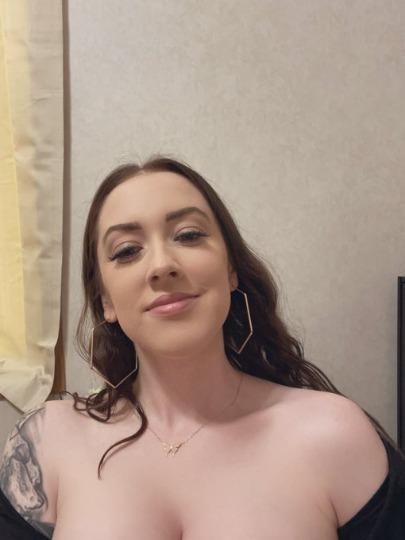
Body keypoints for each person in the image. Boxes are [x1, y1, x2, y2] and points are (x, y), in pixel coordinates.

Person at [1, 155, 404, 539]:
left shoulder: (336, 435)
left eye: (189, 235)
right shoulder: (42, 445)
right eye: (127, 251)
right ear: (106, 300)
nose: (162, 265)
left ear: (231, 270)